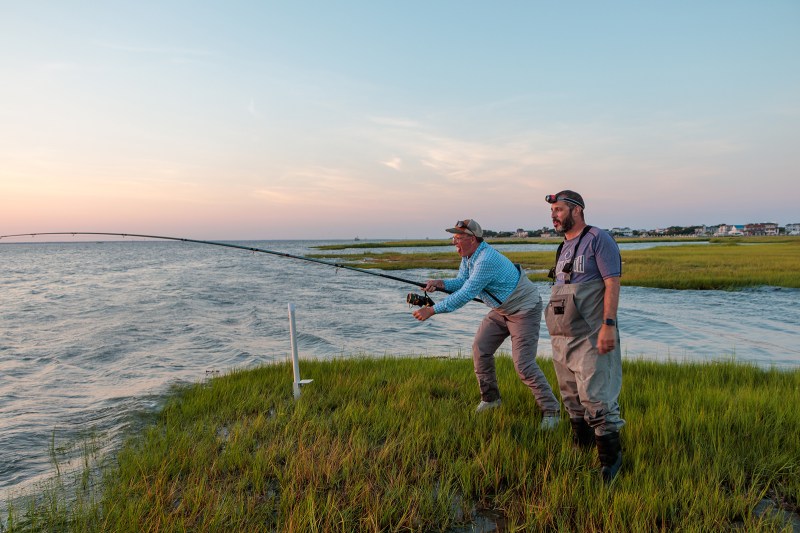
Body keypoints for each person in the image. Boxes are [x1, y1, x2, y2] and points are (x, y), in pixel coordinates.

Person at [412, 219, 561, 430]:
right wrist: (441, 283)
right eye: (453, 238)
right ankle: (491, 400)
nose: (454, 242)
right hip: (501, 310)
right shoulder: (469, 257)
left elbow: (466, 293)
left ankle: (552, 411)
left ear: (472, 239)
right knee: (480, 349)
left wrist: (432, 310)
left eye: (457, 238)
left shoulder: (486, 259)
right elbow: (461, 282)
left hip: (524, 310)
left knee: (523, 365)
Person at [544, 190, 624, 482]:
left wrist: (608, 325)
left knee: (596, 397)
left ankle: (610, 464)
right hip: (562, 336)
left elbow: (612, 283)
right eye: (552, 211)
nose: (554, 215)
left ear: (577, 210)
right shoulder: (562, 246)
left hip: (591, 336)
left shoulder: (598, 239)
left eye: (559, 210)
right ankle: (580, 449)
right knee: (571, 397)